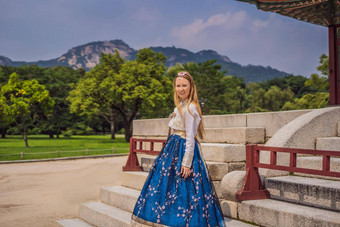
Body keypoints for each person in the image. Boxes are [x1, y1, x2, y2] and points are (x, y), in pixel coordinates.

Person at [131, 71, 225, 227]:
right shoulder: (181, 105)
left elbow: (190, 138)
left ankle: (186, 221)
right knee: (170, 188)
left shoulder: (190, 108)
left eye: (184, 86)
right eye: (178, 85)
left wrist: (186, 163)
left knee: (184, 188)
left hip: (182, 151)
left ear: (191, 87)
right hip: (173, 150)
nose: (181, 89)